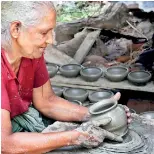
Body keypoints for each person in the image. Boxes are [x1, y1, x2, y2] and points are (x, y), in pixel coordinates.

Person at [1, 1, 131, 154]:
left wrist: (95, 115)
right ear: (16, 29)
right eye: (44, 33)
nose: (51, 41)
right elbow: (4, 144)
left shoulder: (31, 53)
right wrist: (75, 137)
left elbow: (46, 101)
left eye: (52, 32)